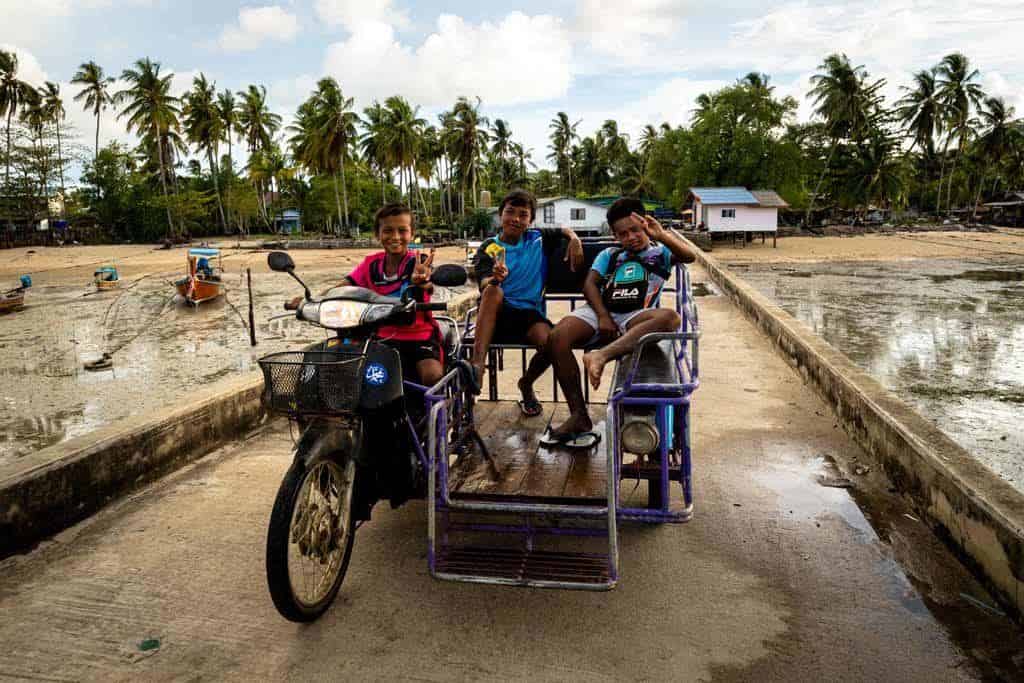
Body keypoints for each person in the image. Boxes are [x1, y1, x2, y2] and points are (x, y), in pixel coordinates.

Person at [544, 197, 697, 443]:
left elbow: (689, 257)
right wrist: (603, 316)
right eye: (623, 234)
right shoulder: (610, 254)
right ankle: (579, 415)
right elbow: (590, 284)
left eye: (636, 230)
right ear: (615, 236)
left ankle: (600, 356)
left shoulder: (660, 253)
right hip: (600, 310)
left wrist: (661, 235)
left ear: (646, 224)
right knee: (557, 336)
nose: (631, 237)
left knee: (670, 318)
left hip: (637, 315)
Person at [470, 189, 584, 415]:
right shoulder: (489, 247)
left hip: (529, 314)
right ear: (500, 214)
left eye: (523, 214)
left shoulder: (538, 239)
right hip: (496, 314)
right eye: (510, 212)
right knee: (493, 292)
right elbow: (483, 283)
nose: (515, 219)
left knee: (551, 343)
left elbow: (563, 229)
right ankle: (477, 368)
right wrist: (495, 278)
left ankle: (526, 383)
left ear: (530, 220)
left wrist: (574, 239)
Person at [342, 203, 444, 387]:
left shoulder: (419, 262)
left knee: (432, 376)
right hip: (381, 337)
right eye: (388, 230)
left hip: (419, 338)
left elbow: (428, 285)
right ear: (378, 234)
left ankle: (436, 414)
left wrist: (421, 281)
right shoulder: (370, 264)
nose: (395, 237)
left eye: (402, 231)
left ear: (411, 234)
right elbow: (345, 285)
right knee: (354, 377)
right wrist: (312, 299)